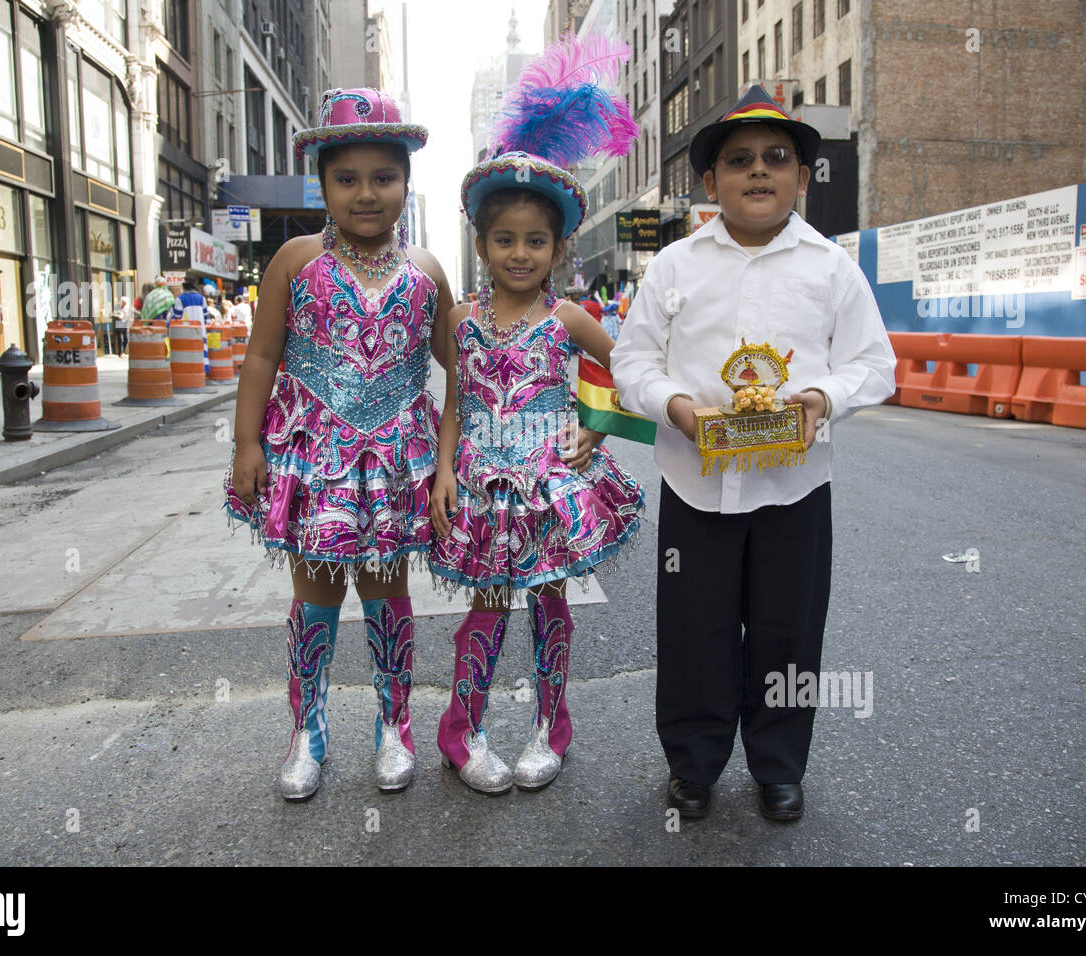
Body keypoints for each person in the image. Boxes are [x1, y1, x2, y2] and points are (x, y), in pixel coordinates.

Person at [610, 84, 896, 823]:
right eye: (740, 161)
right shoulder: (674, 266)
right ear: (712, 182)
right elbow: (632, 362)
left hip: (795, 486)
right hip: (696, 481)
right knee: (693, 630)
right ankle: (694, 765)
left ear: (804, 176)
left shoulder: (831, 269)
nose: (759, 172)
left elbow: (875, 364)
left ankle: (778, 765)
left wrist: (821, 400)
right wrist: (674, 406)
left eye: (777, 158)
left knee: (788, 630)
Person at [225, 88, 455, 800]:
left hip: (394, 463)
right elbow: (262, 358)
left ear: (407, 184)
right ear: (321, 184)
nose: (366, 194)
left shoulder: (427, 270)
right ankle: (309, 730)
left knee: (387, 593)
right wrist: (245, 444)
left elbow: (463, 368)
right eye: (346, 179)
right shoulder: (294, 260)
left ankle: (395, 725)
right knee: (315, 593)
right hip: (313, 458)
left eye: (383, 178)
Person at [429, 35, 643, 795]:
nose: (519, 253)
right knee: (486, 608)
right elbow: (453, 402)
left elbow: (628, 372)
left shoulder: (572, 319)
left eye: (536, 241)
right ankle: (463, 731)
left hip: (552, 480)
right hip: (484, 481)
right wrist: (446, 469)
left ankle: (553, 730)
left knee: (551, 605)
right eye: (504, 240)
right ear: (482, 243)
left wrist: (598, 424)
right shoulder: (459, 318)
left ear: (558, 246)